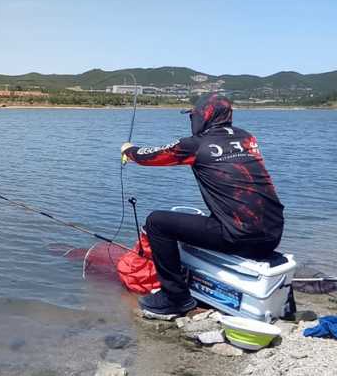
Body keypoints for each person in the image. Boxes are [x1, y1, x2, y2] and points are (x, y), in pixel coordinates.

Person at [120, 93, 284, 318]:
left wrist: (128, 150)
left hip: (238, 237)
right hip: (273, 235)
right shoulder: (248, 139)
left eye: (193, 117)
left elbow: (151, 156)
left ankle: (175, 298)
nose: (192, 122)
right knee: (217, 214)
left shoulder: (196, 144)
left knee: (156, 223)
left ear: (204, 117)